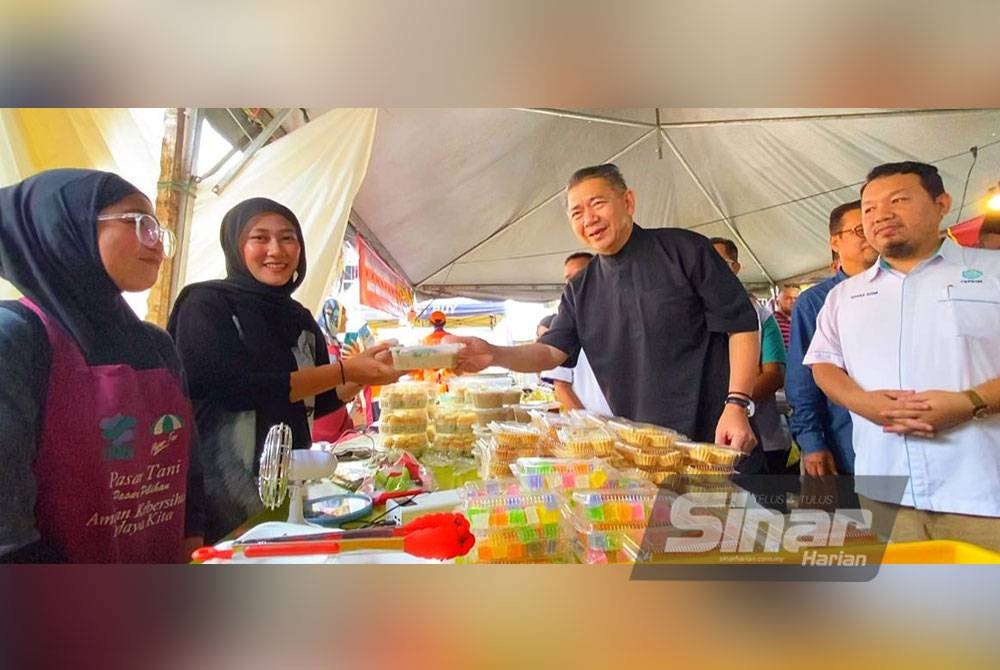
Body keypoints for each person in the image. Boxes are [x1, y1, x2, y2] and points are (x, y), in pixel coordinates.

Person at [449, 163, 760, 452]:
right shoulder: (580, 289)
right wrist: (494, 354)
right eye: (576, 212)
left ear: (628, 202)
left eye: (598, 203)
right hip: (642, 446)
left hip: (717, 436)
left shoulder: (685, 250)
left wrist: (736, 404)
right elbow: (549, 353)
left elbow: (741, 325)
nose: (589, 219)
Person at [167, 197, 402, 543]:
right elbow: (229, 388)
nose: (276, 250)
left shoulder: (299, 318)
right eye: (259, 238)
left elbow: (316, 401)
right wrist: (345, 370)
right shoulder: (206, 304)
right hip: (223, 496)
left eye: (287, 238)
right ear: (236, 246)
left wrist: (362, 377)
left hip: (292, 489)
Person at [0, 168, 203, 563]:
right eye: (138, 222)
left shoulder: (156, 344)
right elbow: (8, 533)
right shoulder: (17, 339)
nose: (157, 245)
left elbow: (188, 478)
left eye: (159, 230)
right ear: (65, 224)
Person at [805, 161, 1000, 550]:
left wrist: (970, 403)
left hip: (982, 487)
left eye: (898, 200)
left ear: (941, 203)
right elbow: (824, 365)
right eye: (870, 209)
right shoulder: (845, 295)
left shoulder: (992, 272)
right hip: (884, 488)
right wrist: (863, 404)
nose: (881, 216)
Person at [786, 200, 878, 476]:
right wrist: (811, 441)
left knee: (898, 517)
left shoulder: (905, 290)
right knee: (856, 517)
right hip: (844, 442)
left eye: (873, 227)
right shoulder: (815, 301)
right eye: (860, 230)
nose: (870, 235)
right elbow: (802, 380)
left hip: (903, 439)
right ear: (835, 241)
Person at [711, 237, 793, 473]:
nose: (712, 271)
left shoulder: (758, 313)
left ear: (736, 267)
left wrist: (729, 402)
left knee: (766, 506)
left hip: (763, 438)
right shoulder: (690, 313)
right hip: (710, 440)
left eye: (720, 262)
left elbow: (773, 375)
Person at [545, 252, 613, 416]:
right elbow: (561, 385)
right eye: (568, 279)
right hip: (592, 432)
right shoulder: (567, 326)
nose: (574, 284)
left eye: (580, 275)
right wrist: (590, 423)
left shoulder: (623, 315)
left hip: (637, 429)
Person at [311, 297, 366, 441]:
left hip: (339, 423)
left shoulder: (338, 345)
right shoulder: (316, 344)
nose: (346, 319)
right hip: (322, 426)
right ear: (332, 315)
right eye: (343, 314)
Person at [771, 284, 799, 349]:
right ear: (777, 302)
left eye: (796, 298)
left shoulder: (798, 321)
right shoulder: (773, 322)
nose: (793, 301)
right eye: (788, 298)